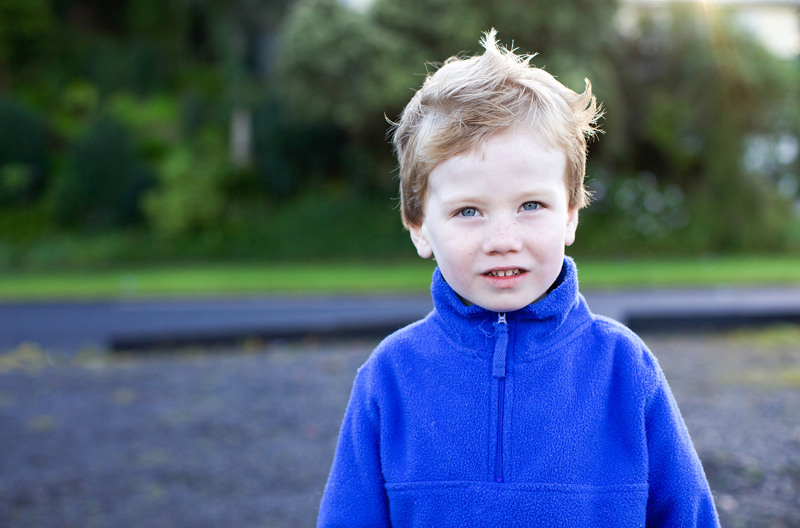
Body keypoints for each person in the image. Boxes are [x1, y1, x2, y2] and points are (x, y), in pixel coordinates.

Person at [317, 29, 720, 527]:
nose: (502, 238)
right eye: (469, 211)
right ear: (419, 227)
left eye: (531, 205)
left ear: (570, 215)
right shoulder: (391, 377)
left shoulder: (625, 371)